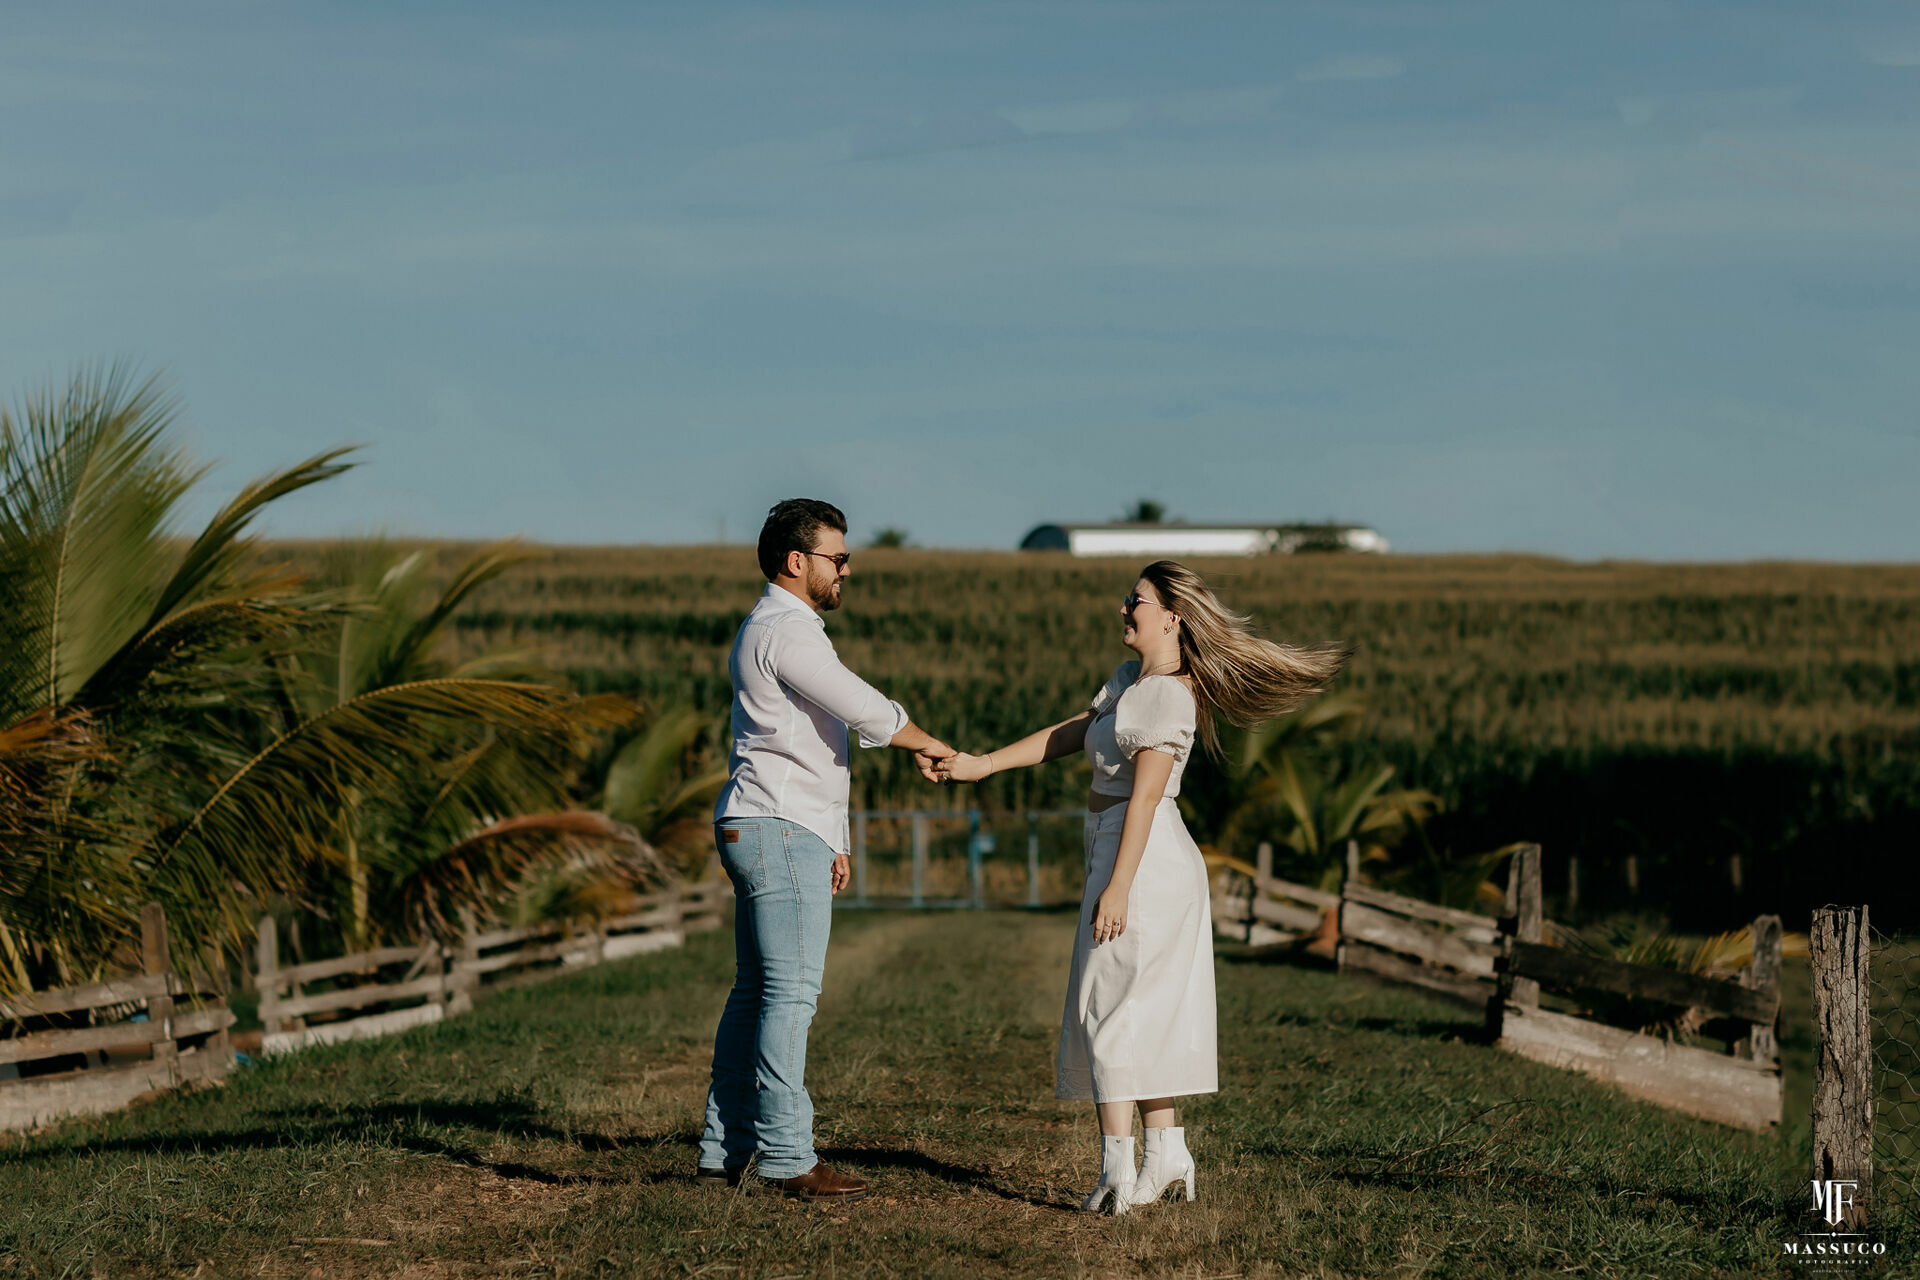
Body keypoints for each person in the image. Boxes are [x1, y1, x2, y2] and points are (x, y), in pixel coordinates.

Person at [936, 560, 1346, 1213]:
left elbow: (1148, 796)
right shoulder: (1132, 682)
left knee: (1110, 1011)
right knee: (1135, 1009)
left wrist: (1119, 885)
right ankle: (1167, 1154)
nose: (1123, 608)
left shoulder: (1171, 695)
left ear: (1172, 617)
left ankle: (1116, 1174)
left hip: (1145, 860)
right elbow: (1076, 731)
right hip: (1120, 851)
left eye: (1137, 600)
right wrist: (982, 764)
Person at [698, 498, 953, 1201]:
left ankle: (726, 1147)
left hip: (764, 822)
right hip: (779, 827)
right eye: (837, 558)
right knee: (790, 996)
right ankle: (785, 1155)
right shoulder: (788, 629)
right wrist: (924, 740)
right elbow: (856, 705)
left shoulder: (772, 628)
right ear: (796, 561)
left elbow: (811, 741)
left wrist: (834, 840)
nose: (847, 569)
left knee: (755, 993)